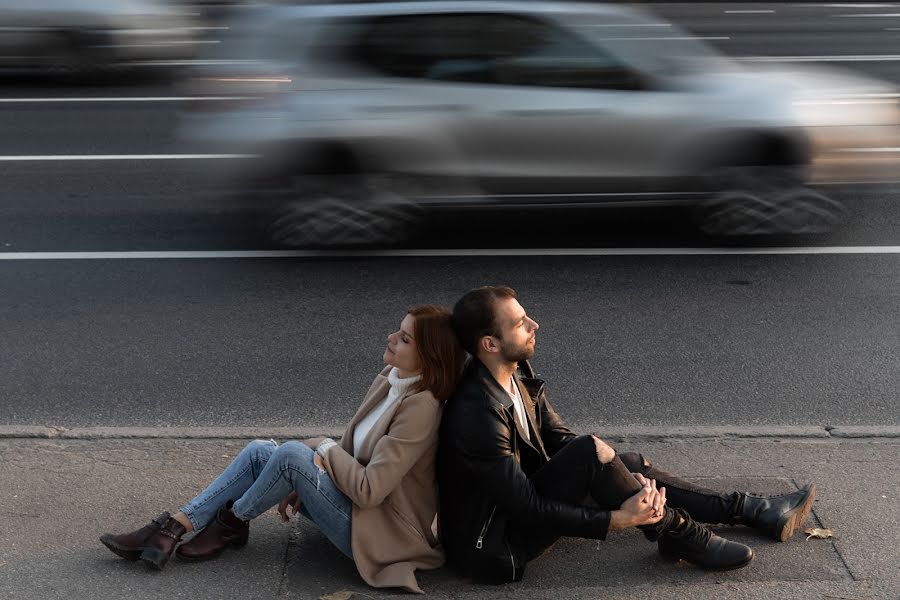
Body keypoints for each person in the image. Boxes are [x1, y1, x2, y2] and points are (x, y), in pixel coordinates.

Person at [437, 286, 816, 584]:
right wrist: (618, 519)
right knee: (592, 453)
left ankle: (751, 510)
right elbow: (527, 508)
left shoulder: (514, 375)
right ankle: (678, 532)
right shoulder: (477, 414)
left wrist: (619, 474)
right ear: (490, 344)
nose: (534, 324)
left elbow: (560, 440)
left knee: (625, 462)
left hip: (518, 513)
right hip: (493, 548)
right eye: (520, 323)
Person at [101, 305, 467, 594]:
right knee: (263, 450)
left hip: (381, 535)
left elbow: (370, 491)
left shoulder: (422, 406)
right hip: (354, 509)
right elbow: (352, 451)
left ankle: (230, 523)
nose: (390, 338)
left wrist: (319, 449)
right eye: (397, 331)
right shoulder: (391, 379)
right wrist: (312, 478)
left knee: (292, 455)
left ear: (430, 356)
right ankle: (177, 525)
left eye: (404, 338)